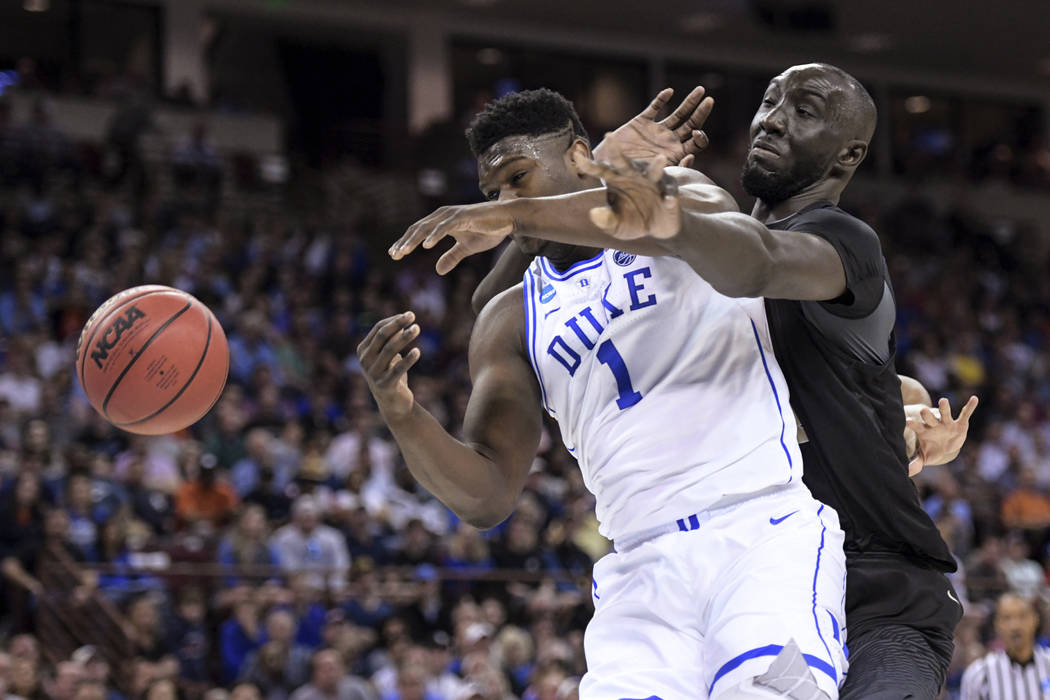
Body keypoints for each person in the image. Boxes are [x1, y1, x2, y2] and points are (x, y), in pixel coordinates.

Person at [397, 69, 982, 698]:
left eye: (803, 109)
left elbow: (752, 269)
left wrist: (562, 191)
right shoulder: (698, 258)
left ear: (849, 154)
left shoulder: (825, 242)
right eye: (766, 101)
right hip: (733, 563)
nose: (774, 118)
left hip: (870, 581)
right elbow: (508, 301)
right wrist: (574, 185)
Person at [959, 593, 1050, 699]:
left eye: (1022, 616)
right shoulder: (979, 674)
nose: (1015, 626)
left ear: (1035, 619)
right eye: (1007, 618)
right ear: (997, 624)